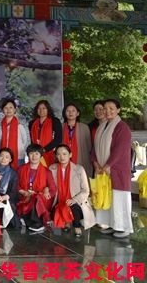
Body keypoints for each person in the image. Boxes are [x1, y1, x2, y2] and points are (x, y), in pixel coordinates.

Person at [92, 99, 133, 238]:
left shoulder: (122, 127)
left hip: (116, 169)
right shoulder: (102, 126)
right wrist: (96, 164)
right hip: (102, 170)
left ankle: (123, 227)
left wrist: (107, 165)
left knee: (119, 198)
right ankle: (110, 224)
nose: (107, 111)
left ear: (118, 110)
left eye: (111, 108)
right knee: (107, 197)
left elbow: (120, 150)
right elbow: (94, 148)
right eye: (105, 108)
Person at [50, 144, 95, 237]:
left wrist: (74, 199)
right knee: (58, 208)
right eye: (58, 154)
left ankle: (76, 226)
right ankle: (66, 221)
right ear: (56, 156)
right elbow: (48, 185)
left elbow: (86, 190)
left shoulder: (79, 169)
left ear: (70, 155)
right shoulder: (52, 168)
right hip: (59, 201)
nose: (61, 157)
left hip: (77, 203)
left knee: (72, 205)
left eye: (64, 154)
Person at [17, 144, 55, 233]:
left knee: (36, 197)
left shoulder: (47, 172)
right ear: (27, 155)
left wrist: (47, 190)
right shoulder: (21, 169)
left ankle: (37, 224)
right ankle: (31, 220)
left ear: (41, 156)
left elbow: (53, 188)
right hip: (25, 198)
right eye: (31, 153)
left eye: (37, 154)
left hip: (41, 200)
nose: (34, 156)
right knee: (31, 198)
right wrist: (24, 192)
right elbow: (15, 185)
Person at [0, 148, 20, 229]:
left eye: (7, 157)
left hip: (4, 196)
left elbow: (13, 191)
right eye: (1, 156)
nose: (3, 159)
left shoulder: (13, 173)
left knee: (9, 206)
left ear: (10, 160)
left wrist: (4, 197)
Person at [0, 99, 29, 170]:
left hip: (18, 157)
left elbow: (26, 141)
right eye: (6, 108)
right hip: (3, 158)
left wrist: (19, 149)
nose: (8, 110)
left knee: (18, 175)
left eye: (11, 107)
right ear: (2, 110)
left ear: (15, 109)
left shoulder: (21, 125)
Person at [62, 103, 93, 177]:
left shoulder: (84, 127)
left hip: (80, 158)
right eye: (68, 111)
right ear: (64, 113)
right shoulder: (61, 127)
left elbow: (88, 146)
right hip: (63, 158)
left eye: (73, 110)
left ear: (77, 113)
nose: (70, 113)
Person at [28, 100, 62, 166]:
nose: (41, 110)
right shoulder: (32, 123)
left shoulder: (55, 121)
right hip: (35, 154)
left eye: (44, 108)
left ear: (48, 109)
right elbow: (31, 139)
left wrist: (44, 149)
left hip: (50, 153)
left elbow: (58, 139)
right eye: (39, 108)